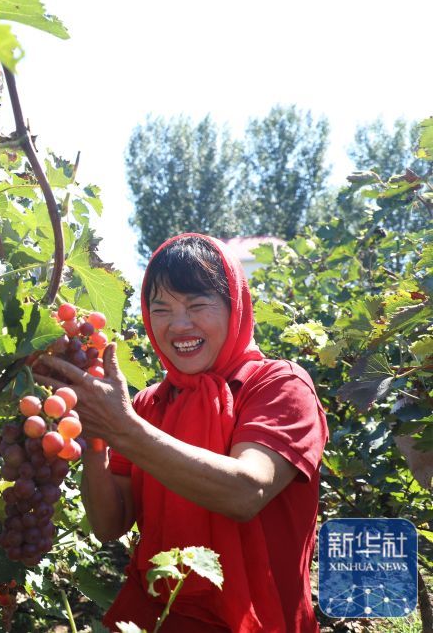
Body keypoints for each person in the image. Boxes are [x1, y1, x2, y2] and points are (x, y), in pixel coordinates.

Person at [34, 233, 328, 632]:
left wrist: (124, 430)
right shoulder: (148, 404)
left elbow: (247, 491)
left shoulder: (280, 385)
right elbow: (109, 525)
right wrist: (96, 438)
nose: (179, 325)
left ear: (235, 305)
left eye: (197, 305)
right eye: (161, 309)